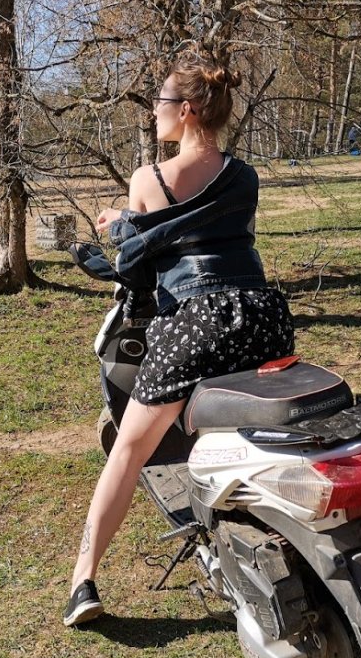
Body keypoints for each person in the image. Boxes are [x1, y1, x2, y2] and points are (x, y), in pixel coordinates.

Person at [63, 47, 295, 627]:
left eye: (161, 101)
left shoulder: (147, 179)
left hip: (198, 322)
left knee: (129, 450)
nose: (154, 111)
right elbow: (209, 228)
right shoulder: (245, 176)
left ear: (187, 109)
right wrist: (130, 225)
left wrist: (120, 228)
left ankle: (83, 579)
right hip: (262, 316)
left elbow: (141, 265)